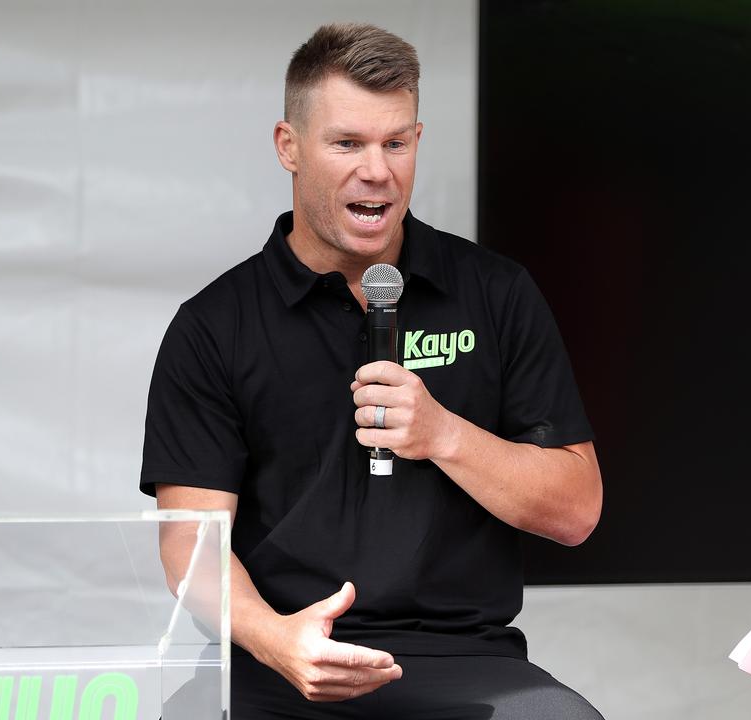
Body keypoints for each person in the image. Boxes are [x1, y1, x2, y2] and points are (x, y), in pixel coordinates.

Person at [140, 23, 604, 719]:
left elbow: (577, 510)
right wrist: (276, 639)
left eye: (394, 142)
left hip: (466, 659)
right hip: (277, 662)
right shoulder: (215, 326)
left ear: (417, 141)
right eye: (347, 143)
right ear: (288, 147)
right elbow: (189, 542)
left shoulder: (496, 294)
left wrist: (444, 433)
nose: (377, 170)